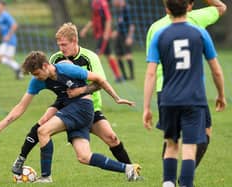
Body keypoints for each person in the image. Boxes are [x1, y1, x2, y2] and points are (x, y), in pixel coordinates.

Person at [0, 50, 141, 182]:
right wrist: (1, 125)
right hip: (71, 110)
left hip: (83, 107)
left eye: (38, 73)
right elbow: (21, 106)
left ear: (45, 66)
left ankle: (46, 177)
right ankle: (128, 168)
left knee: (43, 131)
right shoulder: (38, 81)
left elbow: (99, 79)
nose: (37, 77)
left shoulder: (66, 69)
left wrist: (117, 98)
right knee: (84, 157)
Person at [11, 22, 138, 182]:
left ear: (74, 41)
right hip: (67, 107)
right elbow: (55, 86)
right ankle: (26, 162)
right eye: (59, 45)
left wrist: (81, 91)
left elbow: (100, 82)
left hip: (90, 106)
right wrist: (54, 107)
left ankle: (131, 171)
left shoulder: (90, 57)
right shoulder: (54, 59)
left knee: (111, 138)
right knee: (43, 126)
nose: (61, 49)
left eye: (64, 45)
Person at [143, 0, 226, 186]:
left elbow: (150, 72)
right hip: (193, 96)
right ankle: (185, 183)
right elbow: (217, 70)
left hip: (167, 95)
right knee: (189, 147)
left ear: (166, 8)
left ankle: (168, 183)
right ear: (189, 6)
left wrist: (146, 106)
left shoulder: (157, 32)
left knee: (171, 144)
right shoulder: (199, 31)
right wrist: (221, 94)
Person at [80, 0, 123, 82]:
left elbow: (108, 19)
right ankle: (118, 76)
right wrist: (85, 29)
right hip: (99, 34)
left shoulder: (103, 3)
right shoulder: (94, 3)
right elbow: (93, 19)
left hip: (103, 35)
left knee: (96, 56)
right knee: (108, 55)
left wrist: (106, 33)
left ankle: (92, 76)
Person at [0, 0, 22, 79]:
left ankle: (18, 69)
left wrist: (8, 36)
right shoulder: (0, 16)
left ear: (3, 6)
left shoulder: (6, 15)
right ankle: (19, 71)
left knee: (0, 58)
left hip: (10, 41)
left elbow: (14, 25)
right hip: (6, 41)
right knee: (6, 59)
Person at [112, 0, 135, 80]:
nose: (113, 2)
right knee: (118, 55)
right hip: (120, 36)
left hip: (126, 35)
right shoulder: (120, 10)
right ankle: (124, 76)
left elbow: (132, 25)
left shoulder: (127, 9)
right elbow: (120, 24)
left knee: (128, 55)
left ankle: (131, 76)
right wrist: (116, 32)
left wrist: (130, 37)